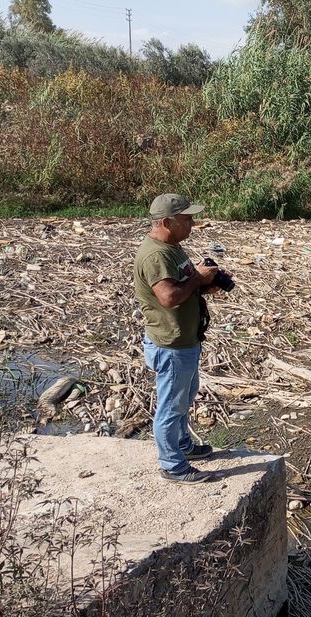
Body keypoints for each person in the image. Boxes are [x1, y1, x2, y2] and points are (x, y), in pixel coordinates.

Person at [133, 193, 222, 484]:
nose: (192, 224)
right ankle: (172, 465)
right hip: (170, 345)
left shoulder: (173, 247)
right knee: (171, 406)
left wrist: (206, 283)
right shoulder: (156, 255)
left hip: (184, 341)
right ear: (167, 222)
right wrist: (197, 277)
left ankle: (183, 446)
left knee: (184, 397)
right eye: (187, 219)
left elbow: (182, 288)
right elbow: (169, 297)